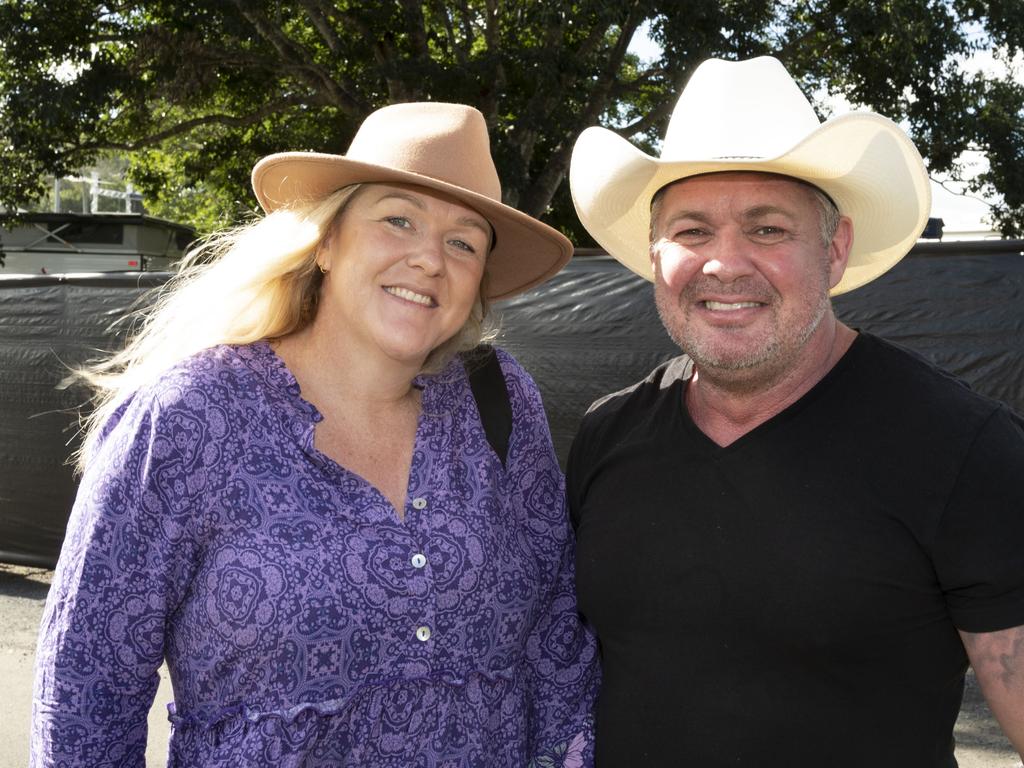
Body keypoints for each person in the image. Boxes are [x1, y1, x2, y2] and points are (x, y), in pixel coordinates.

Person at [32, 102, 599, 767]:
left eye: (463, 241)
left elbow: (557, 635)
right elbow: (86, 694)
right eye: (398, 219)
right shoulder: (191, 416)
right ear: (326, 241)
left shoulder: (498, 399)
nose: (428, 259)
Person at [566, 56, 1024, 766]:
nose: (724, 264)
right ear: (654, 256)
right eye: (691, 231)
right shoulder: (607, 435)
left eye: (768, 229)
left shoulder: (964, 451)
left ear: (833, 250)